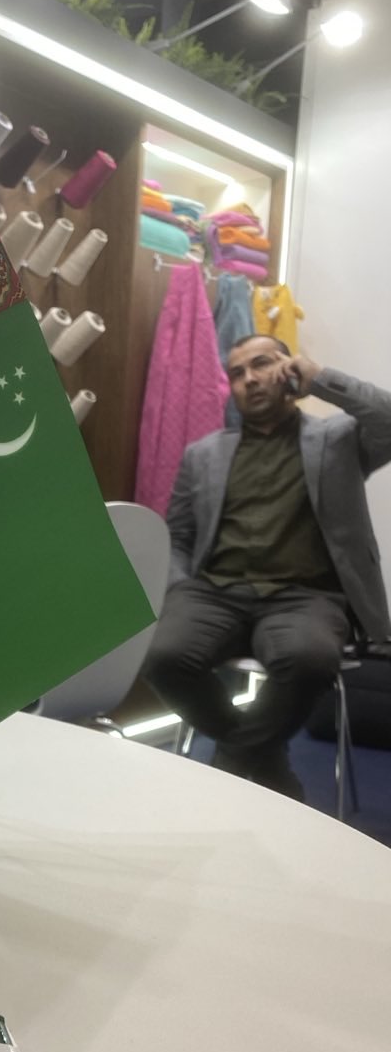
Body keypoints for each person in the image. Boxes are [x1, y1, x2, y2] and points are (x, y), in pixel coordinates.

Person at [143, 335, 391, 797]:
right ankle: (267, 758)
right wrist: (179, 588)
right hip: (215, 592)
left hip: (305, 597)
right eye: (237, 373)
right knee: (161, 657)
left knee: (309, 659)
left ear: (288, 369)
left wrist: (320, 379)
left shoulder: (337, 439)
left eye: (261, 364)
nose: (250, 379)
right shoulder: (204, 454)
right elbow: (178, 534)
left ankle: (233, 759)